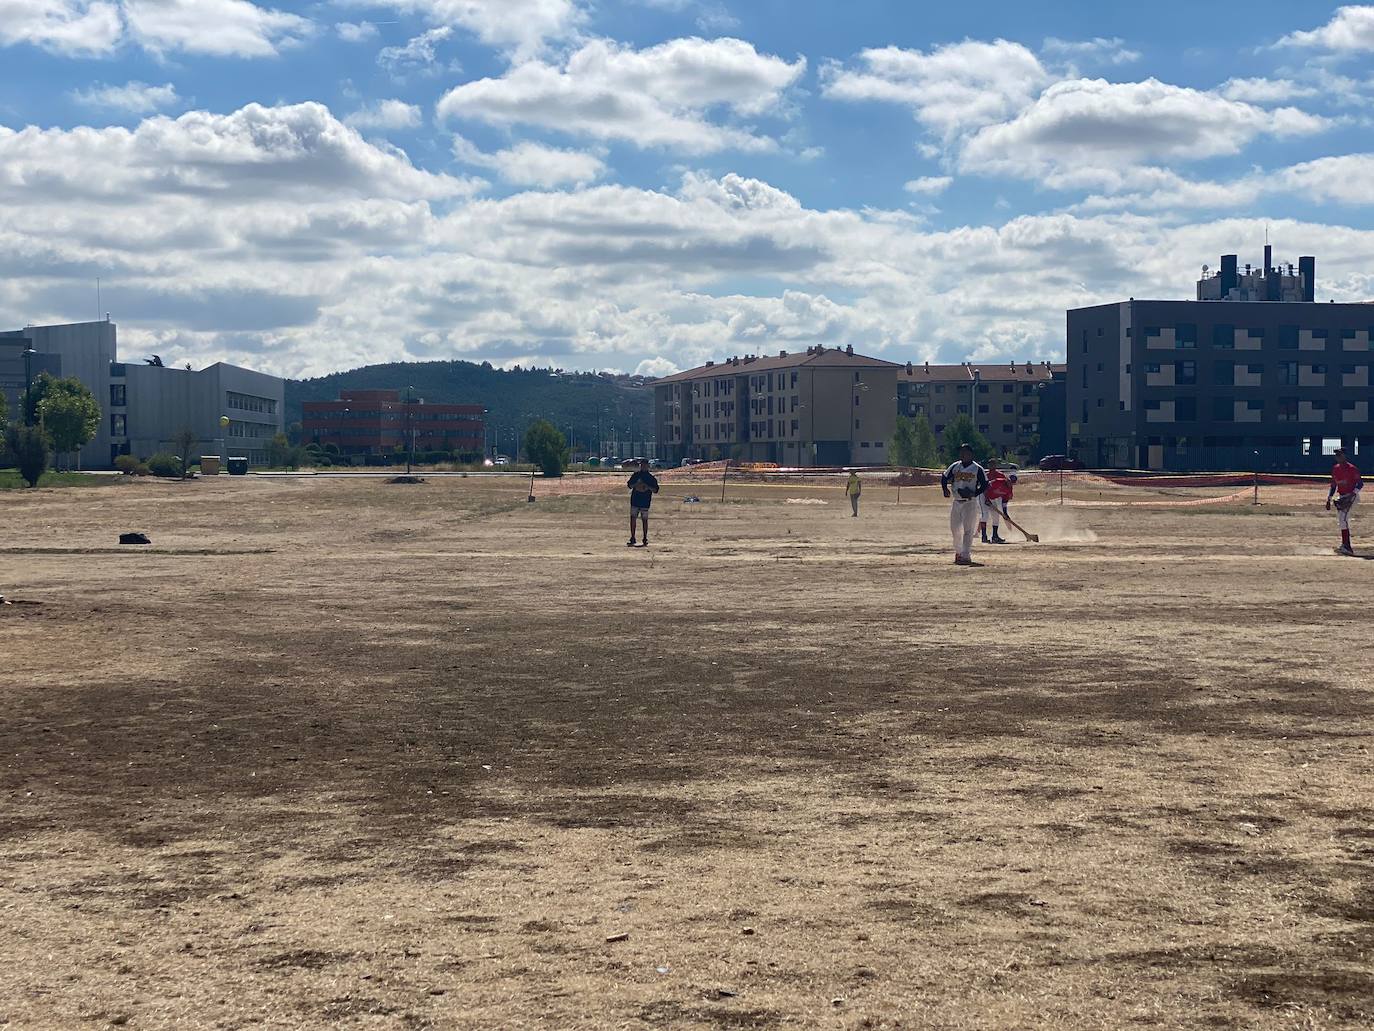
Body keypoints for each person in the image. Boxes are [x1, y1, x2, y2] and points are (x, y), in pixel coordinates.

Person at [941, 443, 988, 566]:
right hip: (957, 502)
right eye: (961, 452)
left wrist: (974, 493)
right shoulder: (955, 466)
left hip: (970, 503)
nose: (962, 454)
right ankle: (958, 552)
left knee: (968, 530)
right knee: (955, 529)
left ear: (971, 454)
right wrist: (944, 489)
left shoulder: (977, 468)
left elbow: (985, 484)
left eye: (965, 452)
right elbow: (944, 477)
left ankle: (966, 555)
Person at [1326, 446, 1363, 556]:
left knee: (1343, 519)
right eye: (1336, 454)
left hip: (1352, 496)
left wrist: (1353, 494)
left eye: (1339, 454)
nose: (1337, 456)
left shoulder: (1352, 468)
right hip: (1342, 497)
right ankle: (1345, 545)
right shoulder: (1335, 468)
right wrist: (1329, 498)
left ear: (1344, 456)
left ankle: (1347, 547)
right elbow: (1333, 485)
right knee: (1342, 520)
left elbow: (1360, 484)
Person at [626, 458, 660, 547]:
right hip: (635, 500)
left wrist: (647, 486)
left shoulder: (651, 478)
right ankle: (632, 537)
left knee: (644, 520)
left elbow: (655, 490)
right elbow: (629, 485)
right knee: (633, 519)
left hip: (645, 501)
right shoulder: (636, 475)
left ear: (648, 466)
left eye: (644, 465)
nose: (642, 466)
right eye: (641, 465)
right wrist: (637, 484)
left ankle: (645, 538)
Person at [983, 458, 1013, 544]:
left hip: (996, 498)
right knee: (984, 515)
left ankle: (995, 536)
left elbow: (1004, 502)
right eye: (990, 464)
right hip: (985, 497)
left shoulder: (1003, 480)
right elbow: (985, 488)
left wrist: (1005, 513)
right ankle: (983, 535)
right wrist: (986, 499)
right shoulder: (996, 480)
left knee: (996, 517)